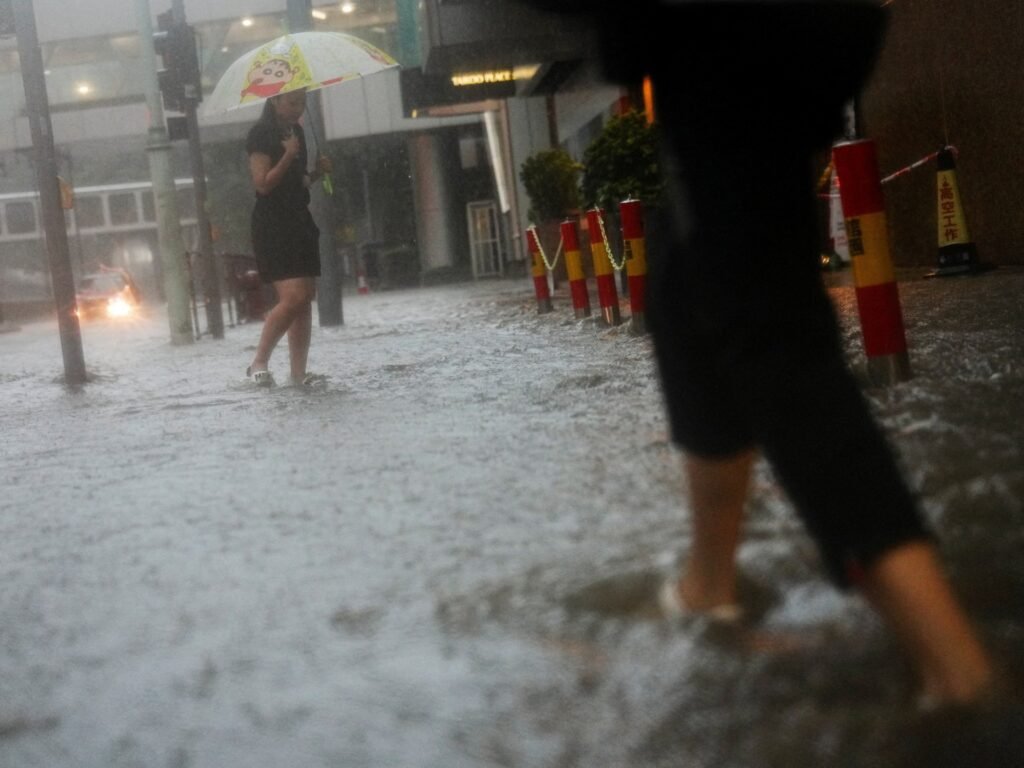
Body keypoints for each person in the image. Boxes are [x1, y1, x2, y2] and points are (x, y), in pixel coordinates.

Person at [526, 0, 997, 709]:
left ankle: (960, 673)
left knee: (771, 332)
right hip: (737, 40)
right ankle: (707, 590)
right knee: (686, 291)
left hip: (735, 36)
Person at [245, 88, 330, 387]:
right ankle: (259, 361)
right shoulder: (260, 134)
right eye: (292, 102)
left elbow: (299, 181)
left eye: (302, 102)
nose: (298, 108)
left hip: (299, 220)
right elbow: (263, 184)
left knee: (305, 298)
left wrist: (317, 173)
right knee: (293, 296)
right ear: (274, 100)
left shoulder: (297, 131)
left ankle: (298, 372)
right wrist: (289, 155)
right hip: (273, 224)